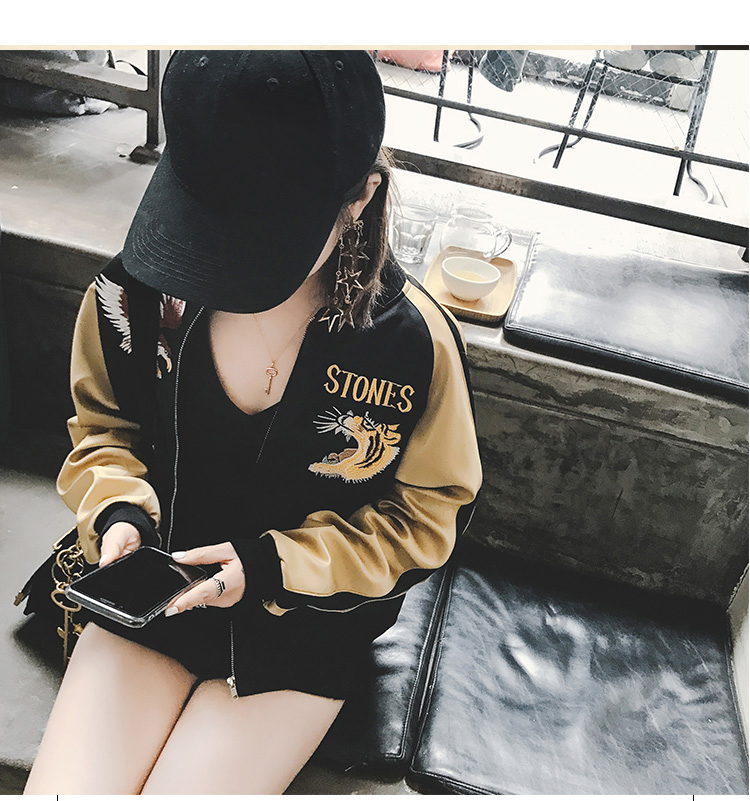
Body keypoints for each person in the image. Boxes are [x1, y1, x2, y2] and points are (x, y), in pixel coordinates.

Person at [24, 50, 482, 795]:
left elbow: (426, 517)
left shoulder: (412, 347)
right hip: (157, 589)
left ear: (361, 197)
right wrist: (117, 512)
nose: (221, 262)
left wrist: (272, 565)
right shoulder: (133, 293)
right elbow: (104, 428)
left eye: (261, 238)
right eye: (205, 223)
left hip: (305, 626)